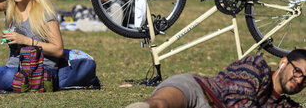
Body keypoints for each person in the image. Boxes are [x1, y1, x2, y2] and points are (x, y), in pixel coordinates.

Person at [125, 50, 306, 108]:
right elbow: (237, 100)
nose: (299, 80)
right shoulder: (256, 66)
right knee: (160, 104)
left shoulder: (284, 105)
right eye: (297, 71)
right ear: (284, 62)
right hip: (199, 90)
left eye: (305, 79)